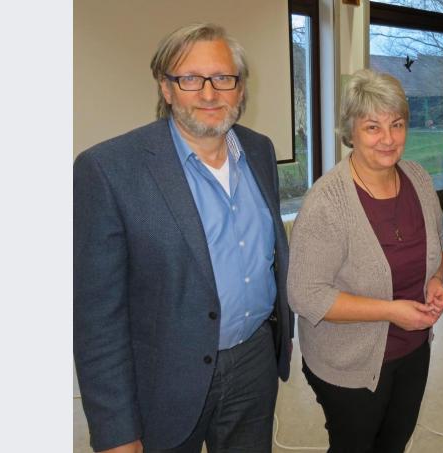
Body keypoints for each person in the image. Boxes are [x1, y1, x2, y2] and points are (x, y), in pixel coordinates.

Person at [73, 23, 293, 453]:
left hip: (254, 361)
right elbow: (97, 317)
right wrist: (116, 432)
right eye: (190, 78)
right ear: (166, 87)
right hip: (164, 377)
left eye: (223, 78)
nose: (209, 94)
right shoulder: (109, 169)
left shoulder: (259, 150)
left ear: (240, 87)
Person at [287, 69, 443, 453]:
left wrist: (436, 280)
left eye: (397, 124)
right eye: (373, 127)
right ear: (351, 132)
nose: (388, 138)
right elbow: (306, 295)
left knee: (394, 443)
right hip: (348, 363)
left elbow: (438, 250)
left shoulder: (418, 179)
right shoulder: (327, 202)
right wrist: (391, 311)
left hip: (414, 348)